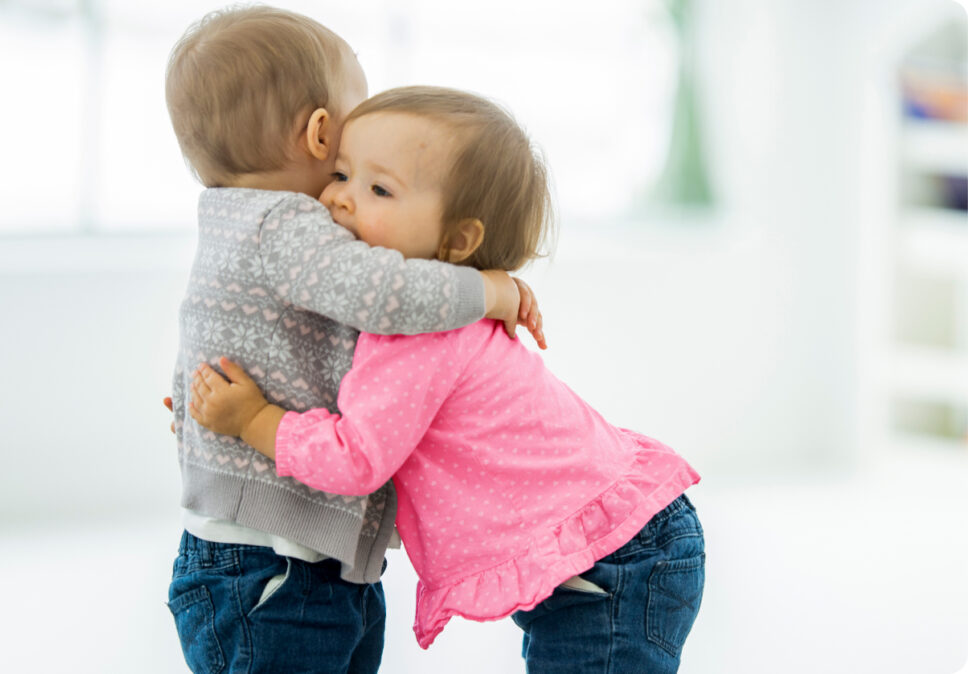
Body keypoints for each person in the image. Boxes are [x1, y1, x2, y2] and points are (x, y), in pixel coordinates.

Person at [187, 86, 705, 674]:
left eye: (378, 189)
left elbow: (356, 459)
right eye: (342, 173)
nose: (339, 200)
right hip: (619, 546)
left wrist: (254, 420)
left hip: (616, 564)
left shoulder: (416, 338)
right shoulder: (427, 313)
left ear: (458, 242)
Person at [163, 9, 542, 673]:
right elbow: (386, 295)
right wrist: (491, 292)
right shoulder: (286, 224)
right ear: (319, 133)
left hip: (281, 559)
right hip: (274, 566)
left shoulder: (233, 222)